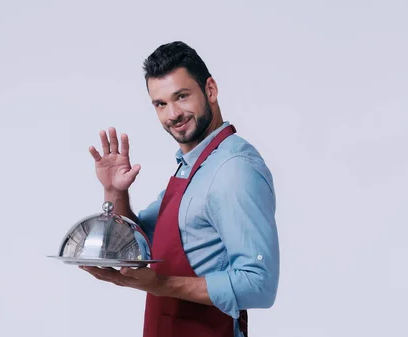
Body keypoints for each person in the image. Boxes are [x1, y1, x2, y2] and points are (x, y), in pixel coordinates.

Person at [79, 41, 280, 337]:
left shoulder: (233, 169)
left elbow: (258, 284)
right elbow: (136, 244)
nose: (172, 113)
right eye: (161, 104)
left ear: (210, 90)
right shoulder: (193, 167)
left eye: (182, 96)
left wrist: (161, 285)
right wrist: (114, 191)